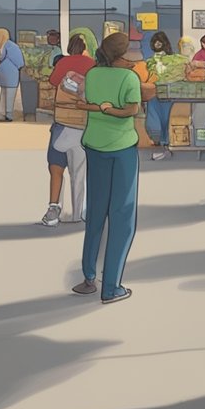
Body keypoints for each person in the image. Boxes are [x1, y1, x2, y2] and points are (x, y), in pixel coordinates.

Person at [70, 33, 142, 305]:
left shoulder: (93, 74)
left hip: (95, 146)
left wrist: (100, 108)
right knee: (122, 217)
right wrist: (112, 109)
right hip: (122, 149)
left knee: (97, 212)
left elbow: (89, 103)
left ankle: (89, 277)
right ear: (122, 55)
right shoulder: (129, 79)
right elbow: (131, 110)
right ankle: (111, 287)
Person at [41, 35, 94, 227]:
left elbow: (54, 81)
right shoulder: (92, 64)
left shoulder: (63, 63)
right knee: (80, 171)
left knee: (56, 168)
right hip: (83, 125)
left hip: (62, 124)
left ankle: (54, 209)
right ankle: (79, 211)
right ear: (84, 48)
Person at [144, 31, 175, 161]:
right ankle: (160, 142)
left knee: (167, 119)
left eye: (159, 41)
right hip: (155, 93)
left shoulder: (173, 59)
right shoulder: (150, 60)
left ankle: (166, 143)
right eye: (155, 41)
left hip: (168, 93)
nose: (157, 44)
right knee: (154, 118)